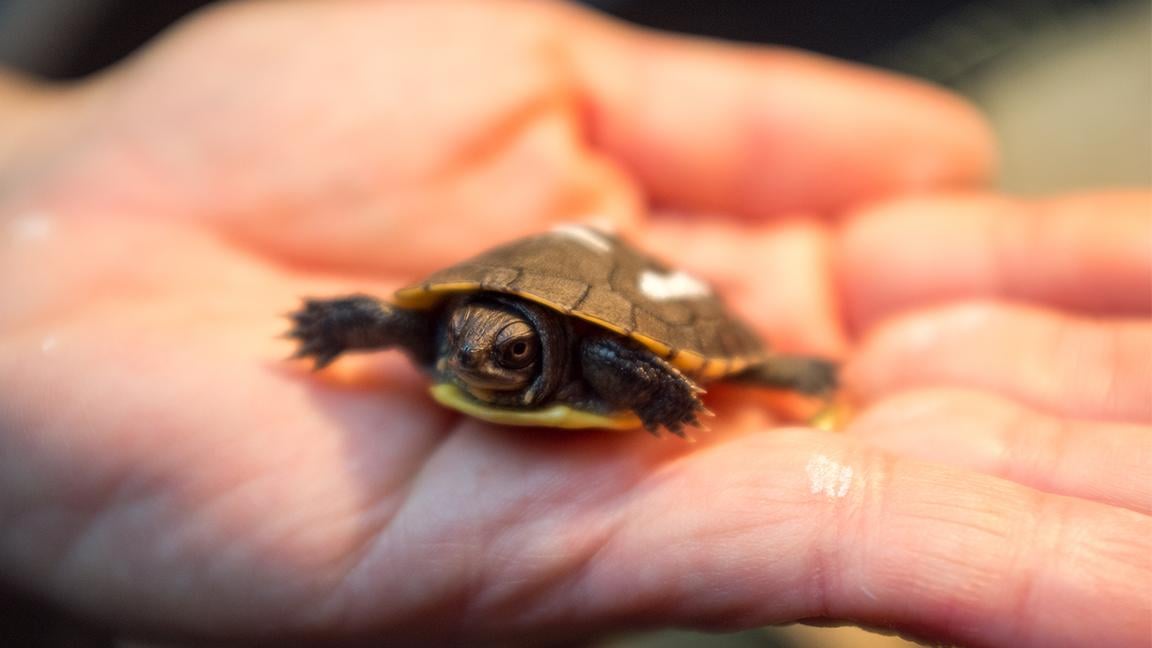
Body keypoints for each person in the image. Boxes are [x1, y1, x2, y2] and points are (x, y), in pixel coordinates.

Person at [0, 1, 1147, 645]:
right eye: (469, 342)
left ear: (536, 353)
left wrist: (659, 391)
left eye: (500, 350)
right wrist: (334, 330)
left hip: (635, 305)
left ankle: (792, 367)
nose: (468, 355)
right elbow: (396, 326)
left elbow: (638, 355)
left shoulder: (581, 357)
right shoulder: (444, 335)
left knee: (718, 358)